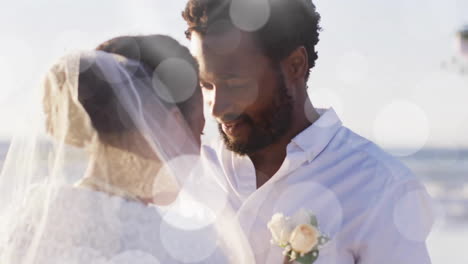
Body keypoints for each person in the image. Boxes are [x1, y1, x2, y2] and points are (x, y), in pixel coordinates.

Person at [183, 0, 435, 263]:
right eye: (206, 85)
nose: (216, 108)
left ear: (295, 65)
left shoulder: (381, 187)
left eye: (235, 83)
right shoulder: (192, 172)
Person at [0, 35, 254, 264]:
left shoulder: (29, 219)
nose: (198, 150)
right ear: (172, 125)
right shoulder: (185, 250)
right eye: (198, 131)